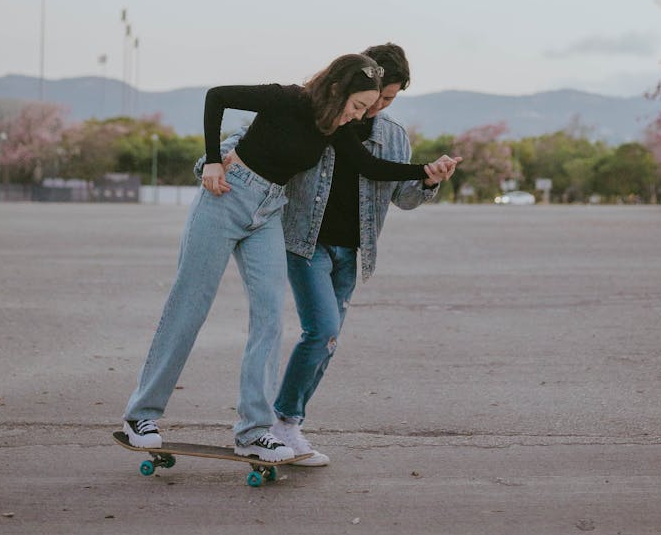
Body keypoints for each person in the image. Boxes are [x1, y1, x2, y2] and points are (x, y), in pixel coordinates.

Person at [122, 53, 457, 463]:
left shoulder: (335, 128)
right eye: (357, 106)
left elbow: (368, 164)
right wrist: (211, 159)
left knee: (269, 318)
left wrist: (426, 170)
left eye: (367, 110)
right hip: (226, 197)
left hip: (268, 212)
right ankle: (141, 415)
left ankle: (254, 431)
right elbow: (217, 97)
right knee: (190, 305)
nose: (359, 117)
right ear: (337, 90)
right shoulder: (287, 99)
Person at [217, 43, 461, 466]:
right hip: (305, 243)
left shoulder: (393, 136)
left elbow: (403, 196)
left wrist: (429, 180)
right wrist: (216, 160)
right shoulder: (319, 116)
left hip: (353, 251)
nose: (377, 107)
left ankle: (288, 426)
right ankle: (279, 423)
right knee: (322, 330)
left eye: (389, 101)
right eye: (377, 96)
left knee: (327, 341)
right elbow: (241, 140)